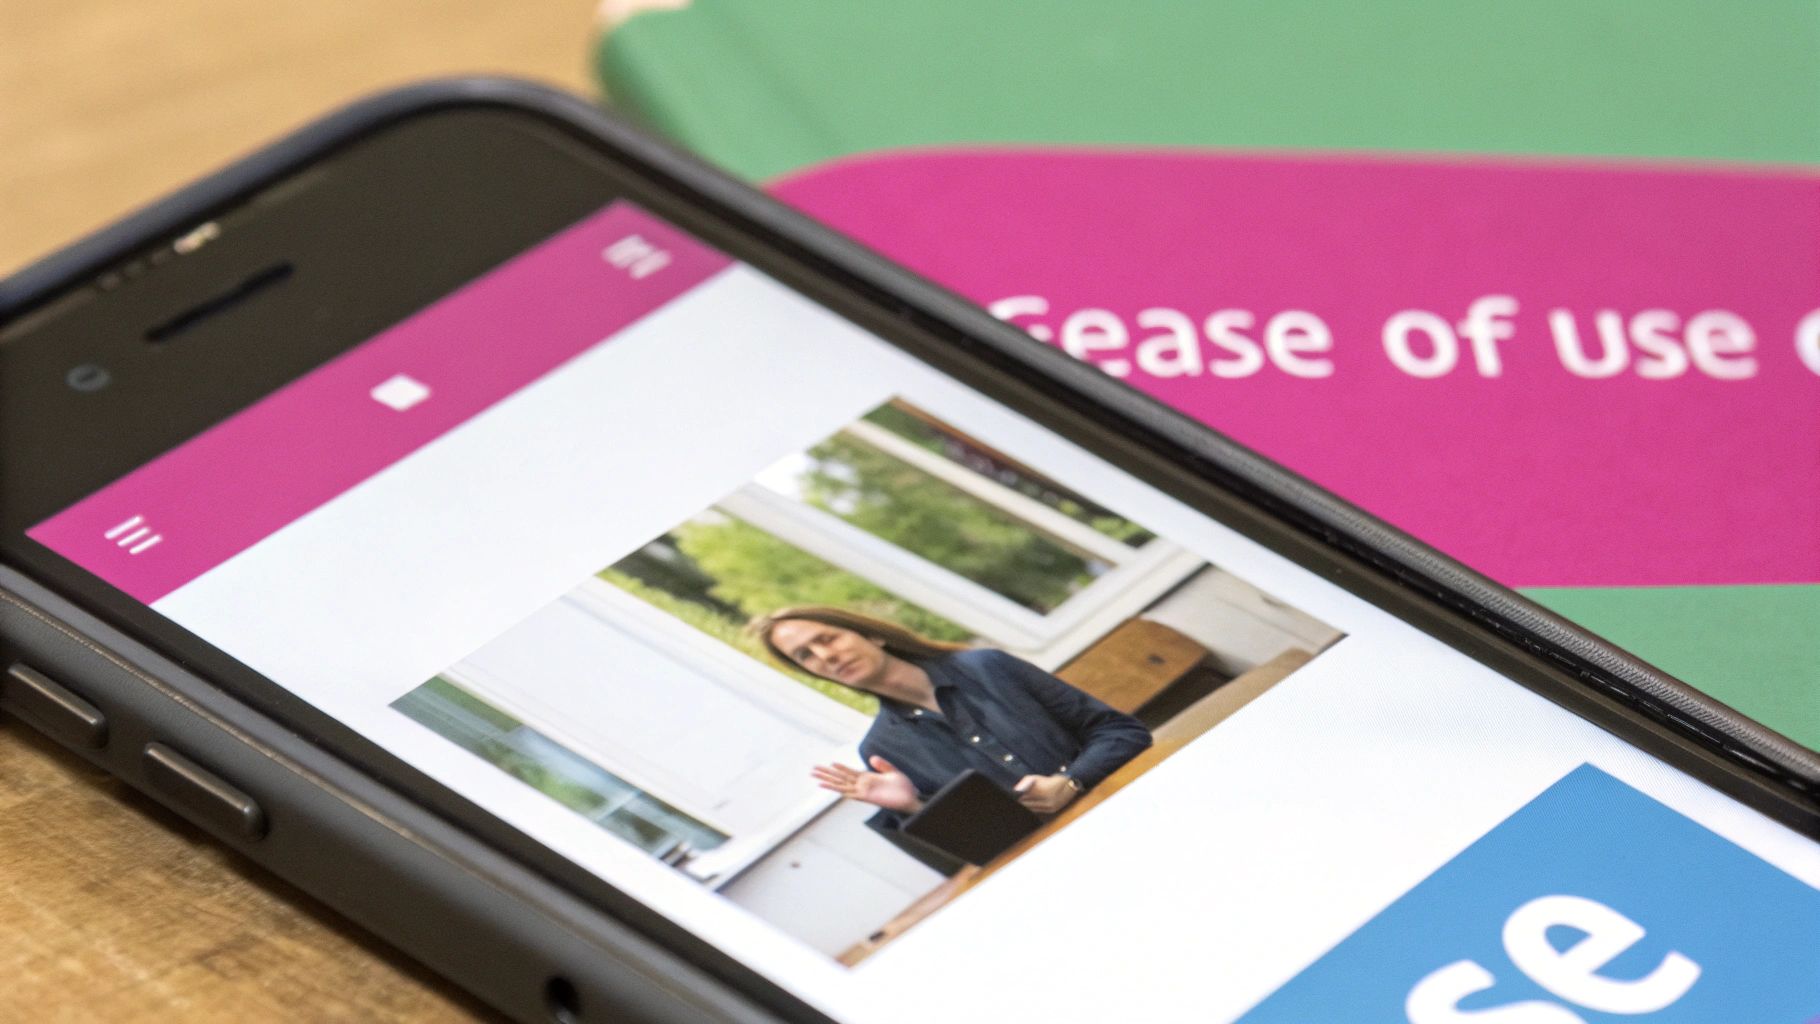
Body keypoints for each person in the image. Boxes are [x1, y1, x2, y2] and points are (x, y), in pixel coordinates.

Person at [750, 606, 1152, 837]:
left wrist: (1071, 781)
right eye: (806, 657)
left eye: (827, 639)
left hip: (1136, 803)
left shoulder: (988, 666)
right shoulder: (881, 752)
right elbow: (979, 840)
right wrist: (911, 806)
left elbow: (1121, 731)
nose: (825, 657)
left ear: (871, 635)